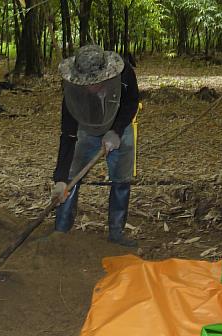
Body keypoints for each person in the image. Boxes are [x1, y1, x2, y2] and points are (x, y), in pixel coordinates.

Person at [51, 44, 140, 247]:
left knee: (122, 176)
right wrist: (60, 178)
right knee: (72, 174)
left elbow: (131, 102)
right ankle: (60, 230)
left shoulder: (124, 73)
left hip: (119, 125)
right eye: (87, 83)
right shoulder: (72, 91)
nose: (91, 87)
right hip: (86, 129)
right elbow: (68, 134)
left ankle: (116, 232)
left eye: (96, 82)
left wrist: (116, 131)